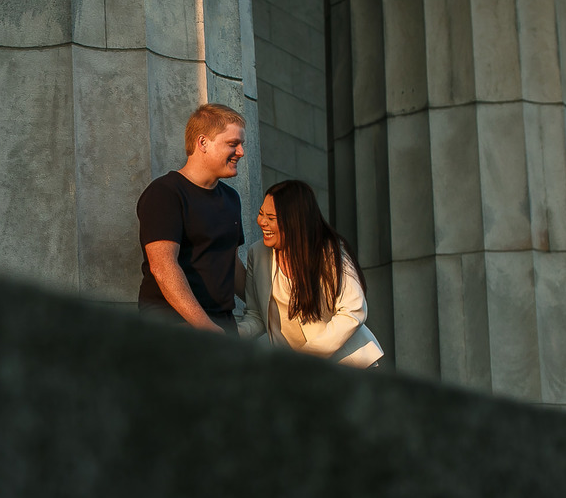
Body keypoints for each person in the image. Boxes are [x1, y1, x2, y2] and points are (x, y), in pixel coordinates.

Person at [239, 180, 384, 368]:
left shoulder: (329, 252)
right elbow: (256, 316)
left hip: (348, 368)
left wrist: (308, 357)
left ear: (294, 221)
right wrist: (224, 333)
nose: (262, 222)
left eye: (271, 217)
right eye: (261, 214)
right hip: (299, 374)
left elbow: (352, 310)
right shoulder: (257, 253)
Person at [136, 103, 247, 335]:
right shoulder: (165, 192)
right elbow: (163, 267)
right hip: (174, 326)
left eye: (241, 145)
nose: (241, 152)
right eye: (233, 144)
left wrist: (274, 306)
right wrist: (204, 326)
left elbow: (232, 265)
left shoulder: (231, 198)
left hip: (223, 325)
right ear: (203, 142)